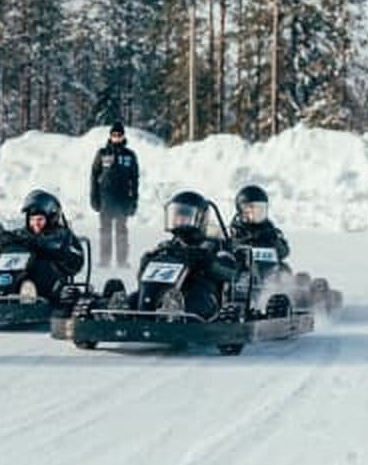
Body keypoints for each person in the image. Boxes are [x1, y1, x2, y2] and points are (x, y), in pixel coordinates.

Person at [130, 191, 237, 319]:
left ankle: (175, 313)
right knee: (135, 297)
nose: (179, 221)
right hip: (166, 294)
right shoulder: (167, 247)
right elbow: (143, 277)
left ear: (199, 219)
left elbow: (230, 271)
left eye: (184, 217)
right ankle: (120, 312)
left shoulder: (214, 245)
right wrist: (148, 260)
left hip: (203, 293)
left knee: (196, 298)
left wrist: (206, 260)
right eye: (176, 216)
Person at [0, 189, 84, 300]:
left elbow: (61, 249)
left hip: (50, 282)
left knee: (41, 266)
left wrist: (35, 243)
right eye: (32, 219)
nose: (35, 224)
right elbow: (4, 241)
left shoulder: (62, 235)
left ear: (51, 219)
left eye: (40, 219)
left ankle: (28, 294)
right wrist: (3, 240)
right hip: (18, 280)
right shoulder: (23, 234)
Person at [90, 121, 139, 268]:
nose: (116, 137)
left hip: (123, 199)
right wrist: (94, 197)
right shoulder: (102, 153)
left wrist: (134, 201)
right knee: (105, 232)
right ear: (110, 136)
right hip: (106, 199)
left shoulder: (130, 155)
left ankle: (122, 261)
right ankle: (105, 260)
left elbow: (135, 179)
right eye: (114, 135)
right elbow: (94, 176)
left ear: (123, 136)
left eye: (119, 135)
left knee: (121, 232)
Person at [230, 185, 290, 260]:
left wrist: (275, 241)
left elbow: (284, 251)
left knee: (285, 268)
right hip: (242, 268)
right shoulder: (236, 230)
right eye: (253, 209)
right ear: (242, 210)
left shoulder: (269, 229)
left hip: (268, 269)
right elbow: (229, 246)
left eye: (261, 209)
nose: (257, 213)